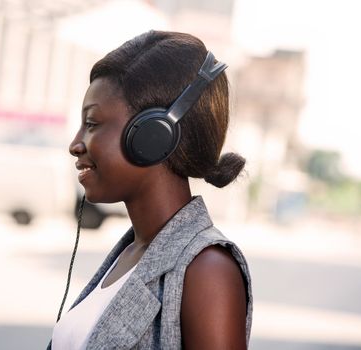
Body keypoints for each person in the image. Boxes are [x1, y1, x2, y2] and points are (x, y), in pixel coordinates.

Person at [50, 30, 252, 349]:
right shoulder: (131, 253)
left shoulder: (206, 269)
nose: (75, 145)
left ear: (151, 136)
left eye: (91, 124)